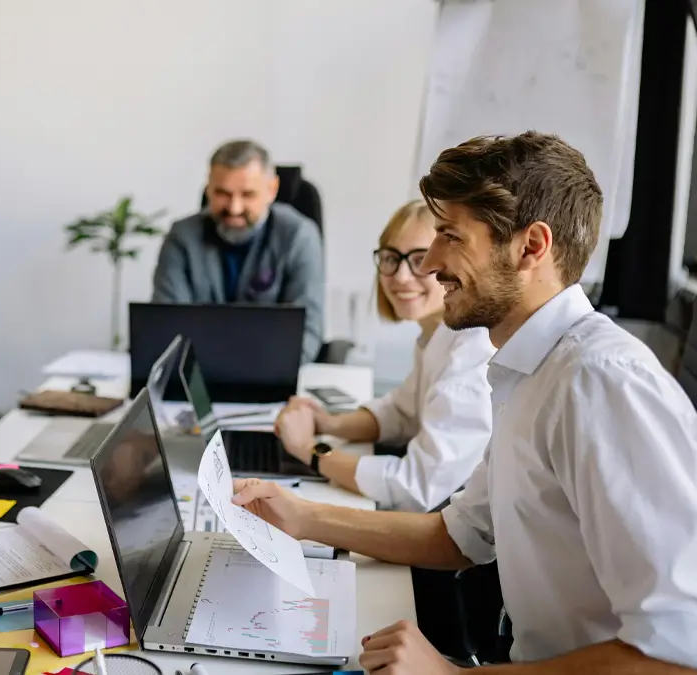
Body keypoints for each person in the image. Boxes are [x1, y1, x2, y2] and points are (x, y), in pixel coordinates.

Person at [232, 132, 697, 673]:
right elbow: (460, 535)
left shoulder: (599, 383)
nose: (429, 263)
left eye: (450, 236)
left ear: (531, 246)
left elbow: (676, 652)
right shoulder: (525, 369)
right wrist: (302, 518)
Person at [274, 199, 494, 513]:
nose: (401, 277)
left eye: (420, 259)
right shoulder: (438, 333)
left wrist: (310, 450)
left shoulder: (472, 354)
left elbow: (414, 486)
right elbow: (402, 413)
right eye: (391, 258)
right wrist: (329, 423)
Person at [152, 139, 325, 363]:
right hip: (195, 378)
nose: (234, 208)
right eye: (222, 193)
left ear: (271, 190)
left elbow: (306, 334)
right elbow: (167, 327)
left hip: (272, 376)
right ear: (209, 189)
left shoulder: (300, 236)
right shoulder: (181, 237)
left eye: (247, 195)